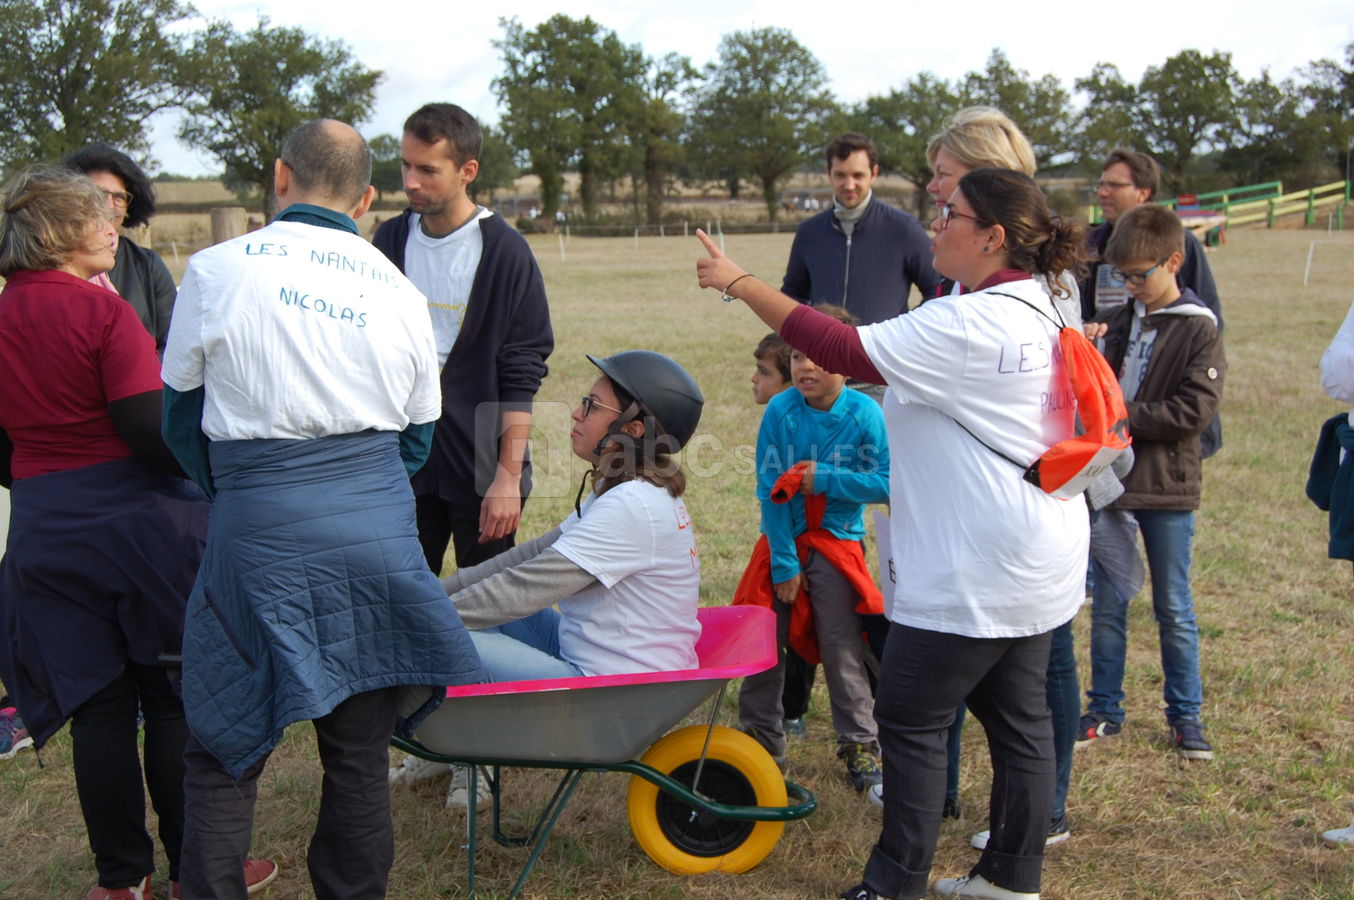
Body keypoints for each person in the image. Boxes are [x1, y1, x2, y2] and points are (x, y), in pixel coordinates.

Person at [697, 166, 1091, 900]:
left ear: (994, 236)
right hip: (1042, 555)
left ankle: (895, 884)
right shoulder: (1049, 302)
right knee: (1021, 721)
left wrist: (739, 281)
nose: (936, 225)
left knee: (908, 717)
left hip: (973, 566)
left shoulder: (970, 319)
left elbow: (841, 347)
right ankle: (1010, 880)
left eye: (951, 214)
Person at [162, 119, 484, 900]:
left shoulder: (212, 271)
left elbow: (179, 421)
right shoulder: (401, 292)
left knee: (222, 751)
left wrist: (246, 491)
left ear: (280, 177)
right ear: (368, 196)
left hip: (255, 531)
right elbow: (417, 438)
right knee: (358, 753)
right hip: (375, 534)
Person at [0, 167, 234, 899]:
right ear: (62, 233)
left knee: (98, 711)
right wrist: (211, 471)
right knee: (166, 699)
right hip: (137, 530)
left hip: (44, 527)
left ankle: (118, 880)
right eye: (100, 218)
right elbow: (144, 426)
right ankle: (192, 867)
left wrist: (45, 483)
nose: (115, 229)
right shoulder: (102, 314)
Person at [917, 105, 1083, 843]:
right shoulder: (966, 272)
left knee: (1038, 673)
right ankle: (946, 792)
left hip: (1025, 507)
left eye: (945, 179)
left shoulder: (1038, 284)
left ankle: (1036, 817)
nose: (931, 190)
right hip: (982, 509)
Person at [440, 350, 704, 681]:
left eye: (592, 405)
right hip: (597, 660)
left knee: (431, 640)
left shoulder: (632, 506)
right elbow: (530, 557)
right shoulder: (627, 487)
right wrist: (432, 594)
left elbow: (527, 587)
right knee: (464, 611)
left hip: (608, 686)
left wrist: (423, 618)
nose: (577, 414)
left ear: (633, 429)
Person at [372, 102, 553, 574]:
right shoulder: (388, 242)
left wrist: (507, 478)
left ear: (466, 170)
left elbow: (521, 372)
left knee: (485, 605)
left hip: (482, 466)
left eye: (428, 170)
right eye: (406, 166)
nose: (411, 182)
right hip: (403, 462)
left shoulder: (505, 253)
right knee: (402, 598)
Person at [1076, 204, 1224, 762]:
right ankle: (1105, 708)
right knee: (1110, 603)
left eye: (1141, 275)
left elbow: (1193, 412)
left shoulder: (1198, 327)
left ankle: (1186, 715)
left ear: (1174, 261)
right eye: (1122, 276)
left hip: (1167, 487)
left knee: (1173, 607)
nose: (1130, 286)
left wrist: (1121, 415)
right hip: (1112, 485)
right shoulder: (1120, 320)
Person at [734, 305, 888, 791]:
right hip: (781, 542)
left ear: (845, 361)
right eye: (799, 355)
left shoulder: (866, 414)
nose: (806, 366)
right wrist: (782, 562)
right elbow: (769, 489)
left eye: (820, 356)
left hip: (838, 543)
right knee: (764, 644)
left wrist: (824, 480)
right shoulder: (782, 410)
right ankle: (760, 742)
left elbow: (887, 483)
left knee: (843, 649)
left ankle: (861, 746)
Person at [1080, 147, 1222, 458]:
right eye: (1100, 184)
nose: (1103, 192)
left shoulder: (1179, 243)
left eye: (1114, 186)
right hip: (1108, 420)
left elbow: (1207, 318)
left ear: (1143, 192)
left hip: (1162, 425)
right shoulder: (1089, 245)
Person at [781, 132, 941, 333]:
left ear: (874, 173)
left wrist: (906, 331)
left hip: (882, 357)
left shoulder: (904, 228)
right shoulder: (809, 231)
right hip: (822, 357)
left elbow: (938, 289)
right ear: (829, 173)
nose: (849, 185)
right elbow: (792, 295)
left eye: (858, 175)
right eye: (840, 175)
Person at [65, 143, 178, 352]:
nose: (109, 205)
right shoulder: (53, 261)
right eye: (98, 194)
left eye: (119, 197)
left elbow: (174, 342)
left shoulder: (147, 265)